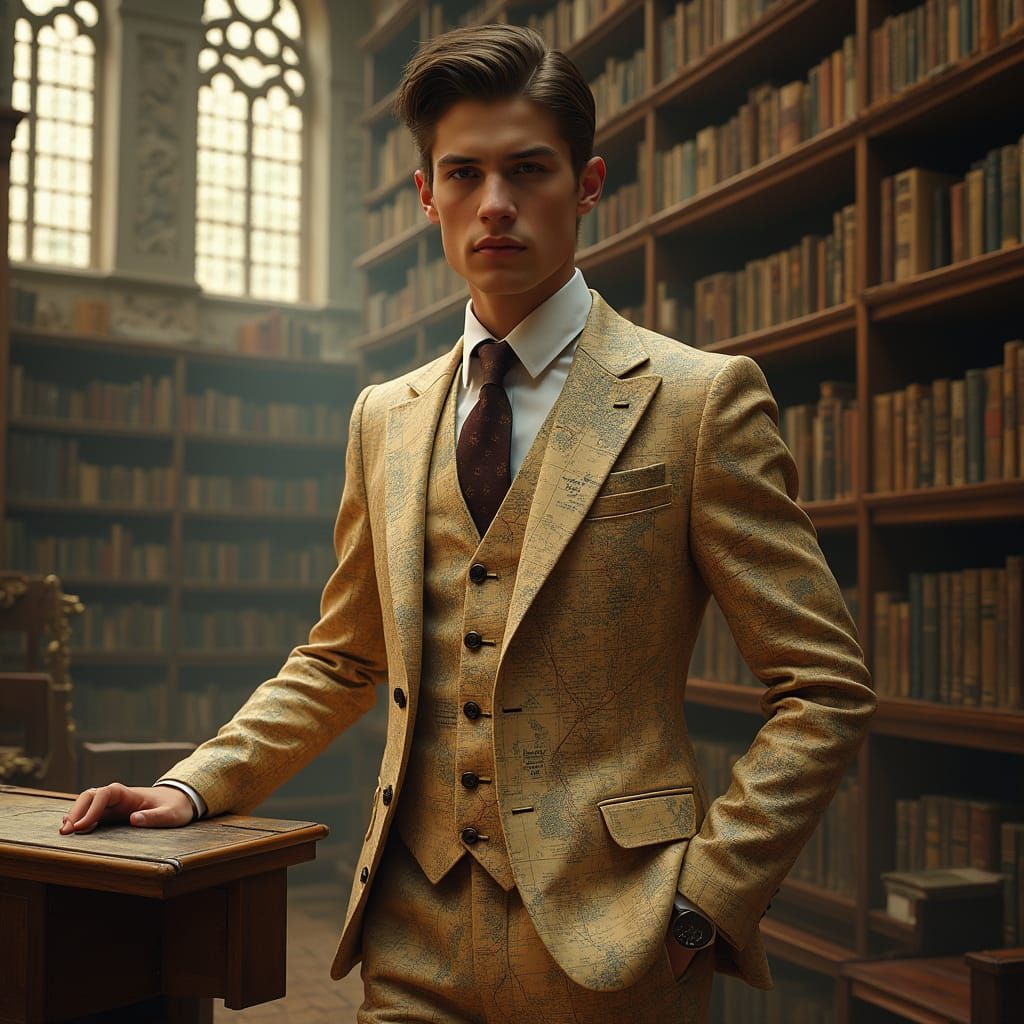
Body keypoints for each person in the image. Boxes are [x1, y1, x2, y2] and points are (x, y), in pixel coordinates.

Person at [59, 22, 876, 1023]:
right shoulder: (383, 416)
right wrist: (189, 789)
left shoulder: (698, 400)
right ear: (426, 195)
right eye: (463, 173)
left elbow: (823, 688)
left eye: (529, 170)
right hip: (410, 925)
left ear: (586, 185)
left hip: (618, 937)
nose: (495, 204)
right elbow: (341, 661)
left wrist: (705, 900)